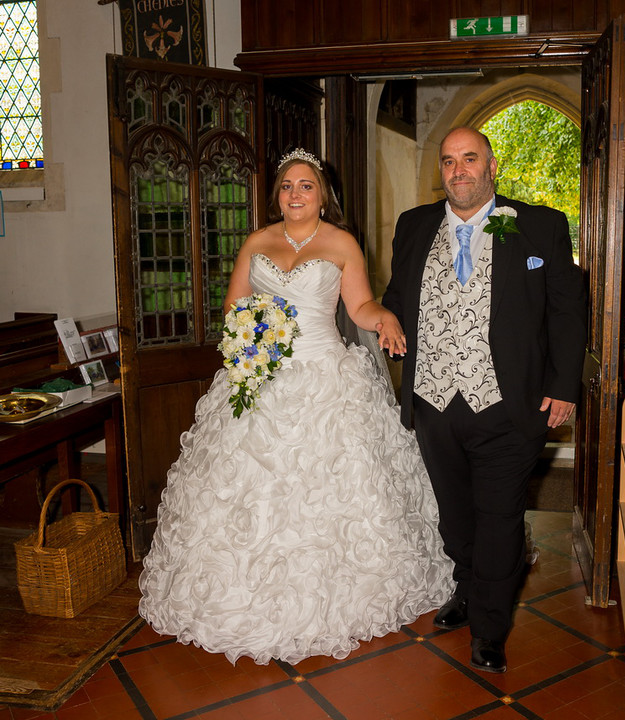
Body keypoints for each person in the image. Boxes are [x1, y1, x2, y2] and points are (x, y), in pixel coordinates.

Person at [138, 148, 454, 666]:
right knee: (244, 490)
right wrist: (255, 333)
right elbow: (234, 305)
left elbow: (359, 306)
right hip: (261, 375)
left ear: (322, 194)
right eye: (287, 186)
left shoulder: (341, 243)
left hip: (326, 377)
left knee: (332, 489)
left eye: (306, 186)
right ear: (277, 195)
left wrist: (386, 320)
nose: (295, 194)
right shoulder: (258, 241)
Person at [381, 127, 586, 674]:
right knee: (456, 517)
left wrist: (563, 386)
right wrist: (388, 325)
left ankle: (490, 628)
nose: (458, 170)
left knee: (499, 517)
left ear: (491, 166)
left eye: (469, 159)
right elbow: (396, 299)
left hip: (509, 404)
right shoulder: (415, 226)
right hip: (433, 402)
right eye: (448, 162)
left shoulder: (538, 225)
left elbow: (567, 311)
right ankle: (466, 591)